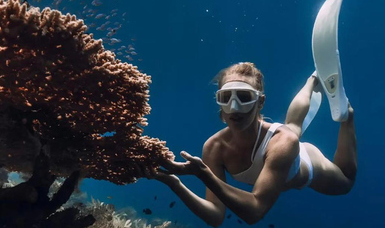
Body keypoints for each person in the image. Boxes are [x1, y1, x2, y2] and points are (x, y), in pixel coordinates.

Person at [137, 62, 357, 226]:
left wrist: (204, 174)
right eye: (226, 97)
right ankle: (312, 81)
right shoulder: (214, 147)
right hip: (278, 144)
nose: (234, 107)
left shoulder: (284, 142)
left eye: (244, 97)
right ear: (219, 102)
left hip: (305, 163)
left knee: (344, 181)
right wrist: (174, 184)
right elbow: (215, 216)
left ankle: (346, 117)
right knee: (292, 125)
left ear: (260, 102)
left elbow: (255, 211)